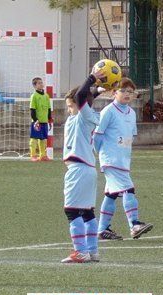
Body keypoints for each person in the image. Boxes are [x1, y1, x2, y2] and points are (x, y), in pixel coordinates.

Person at [94, 77, 154, 240]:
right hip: (111, 160)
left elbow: (130, 137)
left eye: (130, 91)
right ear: (114, 93)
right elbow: (97, 136)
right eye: (123, 90)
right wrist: (102, 155)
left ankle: (102, 229)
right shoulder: (108, 111)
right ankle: (134, 224)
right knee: (129, 189)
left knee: (111, 194)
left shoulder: (131, 113)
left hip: (122, 160)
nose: (127, 94)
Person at [60, 71, 104, 263]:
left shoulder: (82, 116)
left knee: (71, 211)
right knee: (87, 212)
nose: (69, 109)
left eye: (70, 106)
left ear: (79, 105)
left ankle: (81, 251)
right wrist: (98, 90)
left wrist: (91, 78)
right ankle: (92, 251)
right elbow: (84, 97)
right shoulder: (87, 115)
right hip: (87, 169)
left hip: (77, 169)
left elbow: (80, 97)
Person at [29, 77, 52, 161]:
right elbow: (32, 109)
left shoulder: (46, 96)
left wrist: (49, 118)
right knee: (34, 138)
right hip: (36, 122)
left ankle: (43, 155)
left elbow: (49, 108)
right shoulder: (34, 96)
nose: (41, 84)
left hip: (44, 121)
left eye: (42, 82)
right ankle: (33, 155)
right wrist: (35, 120)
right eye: (39, 83)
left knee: (43, 139)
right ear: (35, 86)